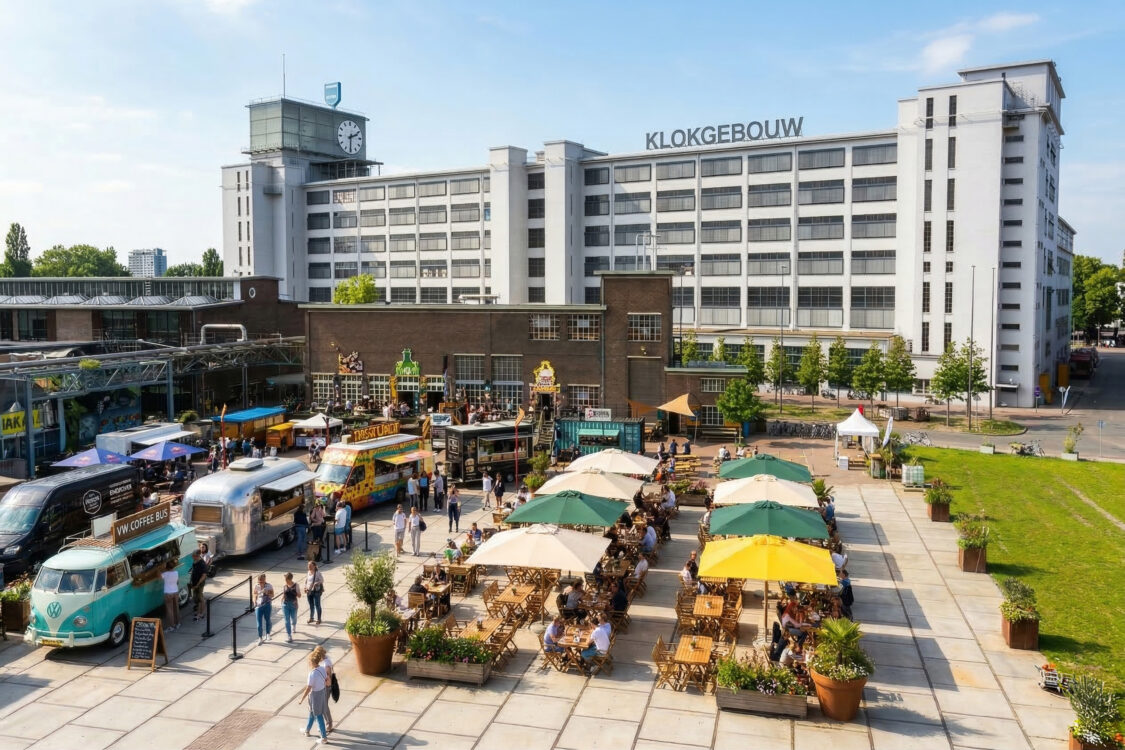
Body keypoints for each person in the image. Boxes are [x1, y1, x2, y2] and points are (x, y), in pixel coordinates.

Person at [297, 649, 330, 744]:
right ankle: (307, 730)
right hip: (322, 693)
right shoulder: (322, 669)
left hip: (315, 696)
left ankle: (324, 737)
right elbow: (326, 679)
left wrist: (301, 699)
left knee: (318, 715)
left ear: (312, 662)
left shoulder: (312, 674)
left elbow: (308, 688)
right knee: (312, 712)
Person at [254, 573, 274, 644]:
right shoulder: (256, 586)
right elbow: (255, 594)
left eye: (262, 581)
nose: (260, 583)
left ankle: (268, 633)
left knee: (267, 620)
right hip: (259, 606)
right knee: (259, 623)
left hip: (267, 604)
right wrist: (254, 601)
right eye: (259, 581)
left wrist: (267, 592)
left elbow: (272, 595)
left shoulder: (269, 586)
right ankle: (260, 637)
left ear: (265, 580)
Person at [281, 572, 301, 643]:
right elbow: (284, 594)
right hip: (285, 604)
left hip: (293, 604)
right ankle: (289, 635)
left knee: (294, 617)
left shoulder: (296, 585)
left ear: (290, 579)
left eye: (286, 579)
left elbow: (299, 595)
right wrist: (281, 600)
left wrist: (294, 592)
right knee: (287, 620)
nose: (285, 580)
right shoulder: (285, 586)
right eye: (285, 579)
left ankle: (294, 625)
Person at [161, 560, 180, 632]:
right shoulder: (176, 572)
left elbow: (158, 576)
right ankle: (178, 623)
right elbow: (177, 582)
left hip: (168, 593)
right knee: (176, 608)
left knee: (170, 610)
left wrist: (158, 569)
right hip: (175, 591)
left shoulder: (165, 574)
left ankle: (172, 626)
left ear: (166, 567)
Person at [189, 549, 208, 621]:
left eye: (193, 556)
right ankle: (198, 612)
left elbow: (204, 575)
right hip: (194, 583)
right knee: (196, 598)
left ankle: (201, 613)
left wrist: (198, 584)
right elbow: (193, 571)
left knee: (200, 598)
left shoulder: (202, 563)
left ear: (197, 556)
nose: (192, 557)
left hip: (199, 584)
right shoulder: (195, 562)